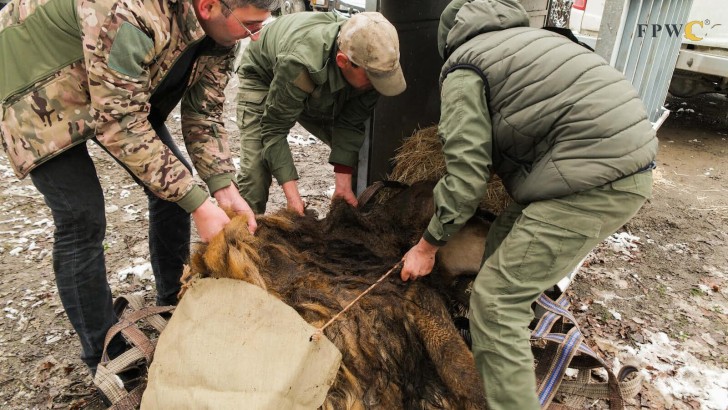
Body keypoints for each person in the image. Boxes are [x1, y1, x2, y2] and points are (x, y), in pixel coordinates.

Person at [399, 0, 658, 408]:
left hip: (590, 181)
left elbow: (466, 178)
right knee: (503, 239)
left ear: (447, 40)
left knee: (497, 303)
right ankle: (503, 350)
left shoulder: (465, 69)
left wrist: (426, 246)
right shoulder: (532, 39)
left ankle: (504, 370)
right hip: (618, 165)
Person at [0, 0, 278, 375]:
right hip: (36, 80)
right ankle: (105, 355)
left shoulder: (224, 34)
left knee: (173, 189)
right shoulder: (130, 12)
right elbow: (119, 123)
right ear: (210, 6)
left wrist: (223, 188)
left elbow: (205, 115)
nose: (255, 35)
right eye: (250, 26)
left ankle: (174, 299)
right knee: (81, 216)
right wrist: (199, 204)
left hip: (111, 84)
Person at [235, 11, 406, 215]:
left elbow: (350, 125)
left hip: (318, 80)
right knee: (256, 174)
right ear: (343, 61)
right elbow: (274, 129)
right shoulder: (300, 62)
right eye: (373, 78)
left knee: (355, 159)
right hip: (264, 75)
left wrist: (343, 184)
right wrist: (293, 198)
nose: (379, 85)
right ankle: (244, 235)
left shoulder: (371, 65)